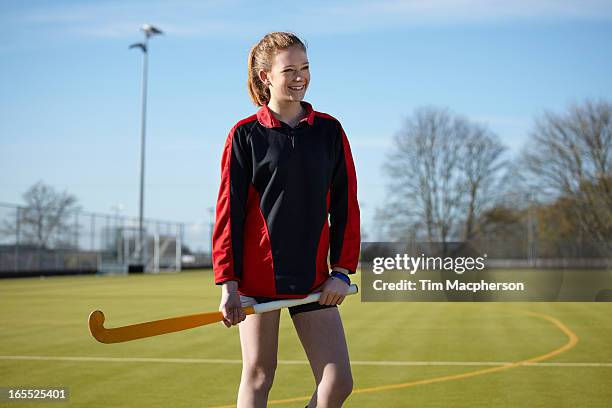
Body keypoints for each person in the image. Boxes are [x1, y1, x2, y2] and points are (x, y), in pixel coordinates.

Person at [212, 31, 360, 408]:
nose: (300, 77)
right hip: (259, 281)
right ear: (266, 77)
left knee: (337, 381)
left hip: (315, 280)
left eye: (305, 68)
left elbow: (345, 206)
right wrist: (228, 282)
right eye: (290, 69)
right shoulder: (244, 136)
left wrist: (341, 271)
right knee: (259, 376)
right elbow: (229, 214)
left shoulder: (329, 131)